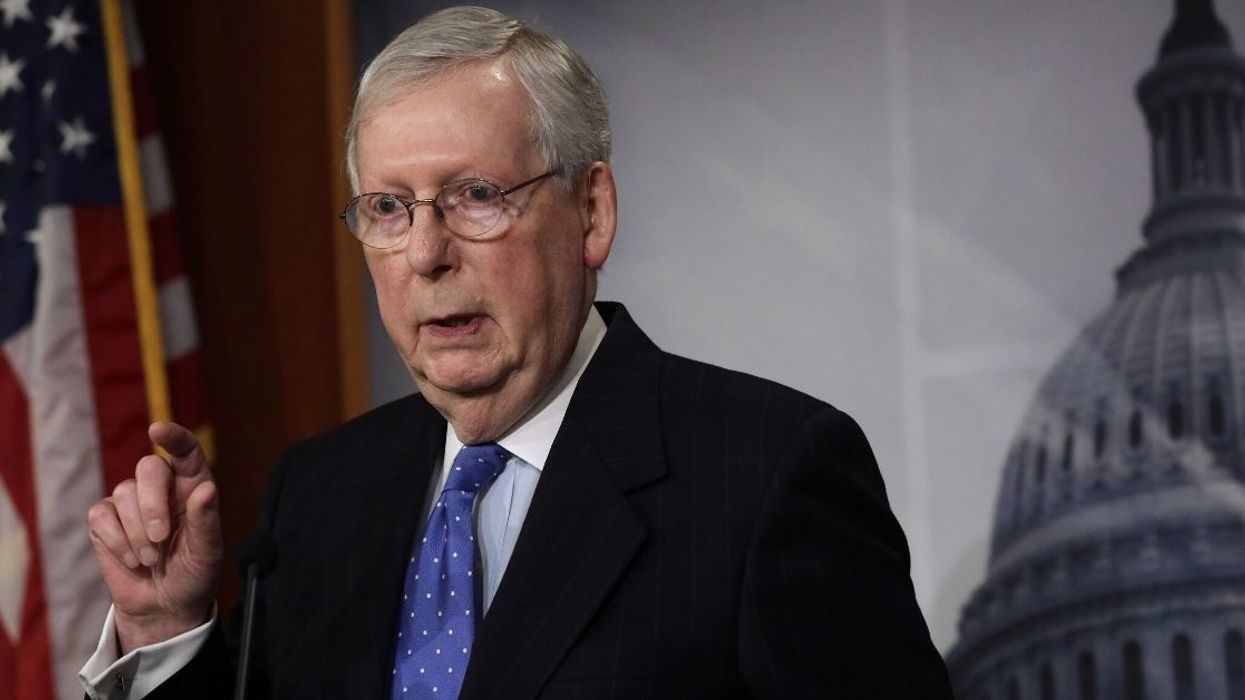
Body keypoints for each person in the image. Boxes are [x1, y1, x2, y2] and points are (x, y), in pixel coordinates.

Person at [80, 6, 953, 699]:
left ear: (591, 212)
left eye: (476, 195)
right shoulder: (318, 497)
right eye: (388, 208)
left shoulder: (764, 476)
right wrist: (164, 633)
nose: (426, 254)